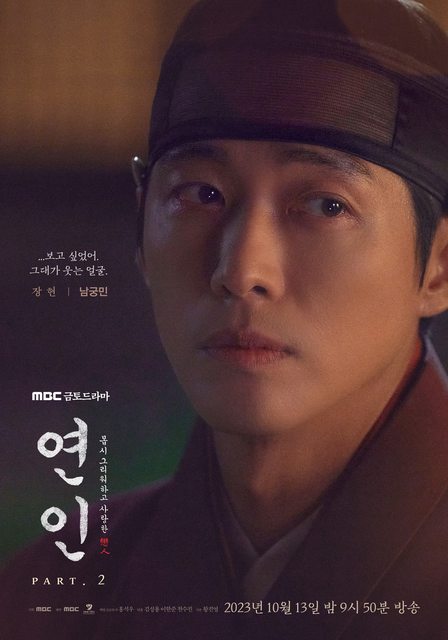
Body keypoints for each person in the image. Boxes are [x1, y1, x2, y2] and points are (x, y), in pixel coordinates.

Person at [2, 0, 448, 638]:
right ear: (140, 228)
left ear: (437, 267)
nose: (241, 270)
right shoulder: (46, 595)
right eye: (201, 193)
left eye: (326, 205)